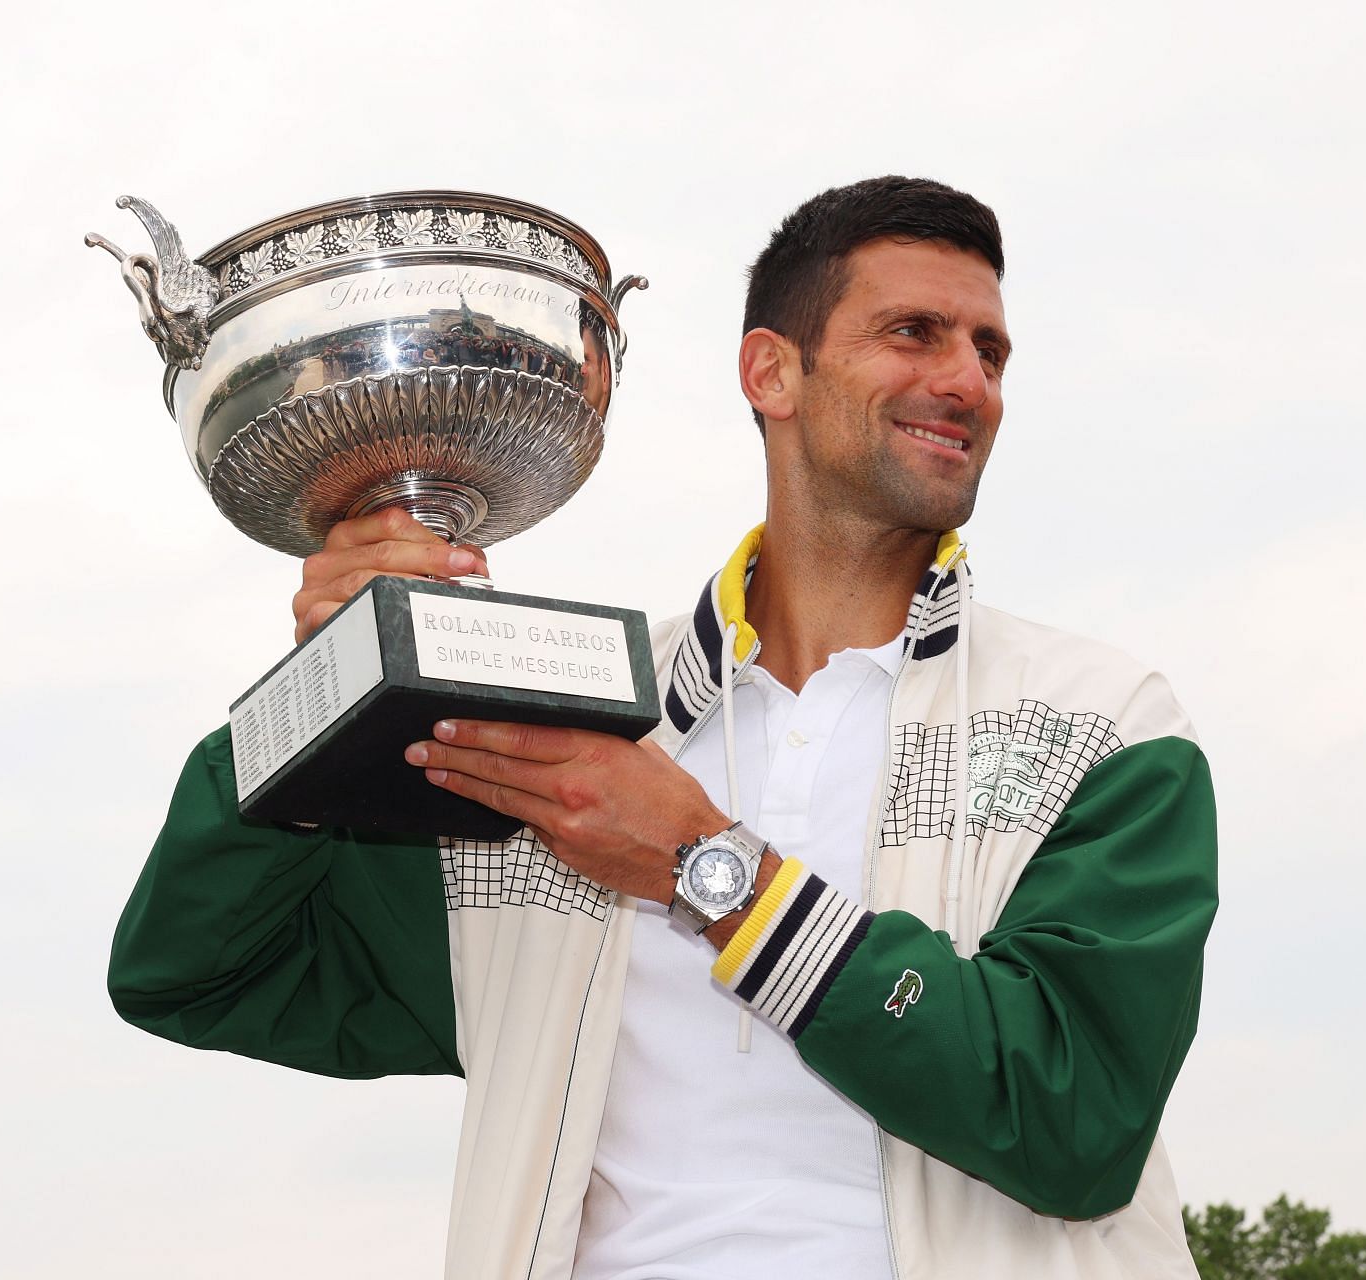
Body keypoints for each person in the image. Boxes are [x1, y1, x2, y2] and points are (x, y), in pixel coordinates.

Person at [109, 176, 1218, 1280]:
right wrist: (333, 674)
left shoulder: (1100, 722)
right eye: (914, 332)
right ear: (771, 371)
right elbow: (194, 965)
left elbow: (1079, 1116)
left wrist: (709, 869)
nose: (966, 380)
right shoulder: (559, 733)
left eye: (990, 350)